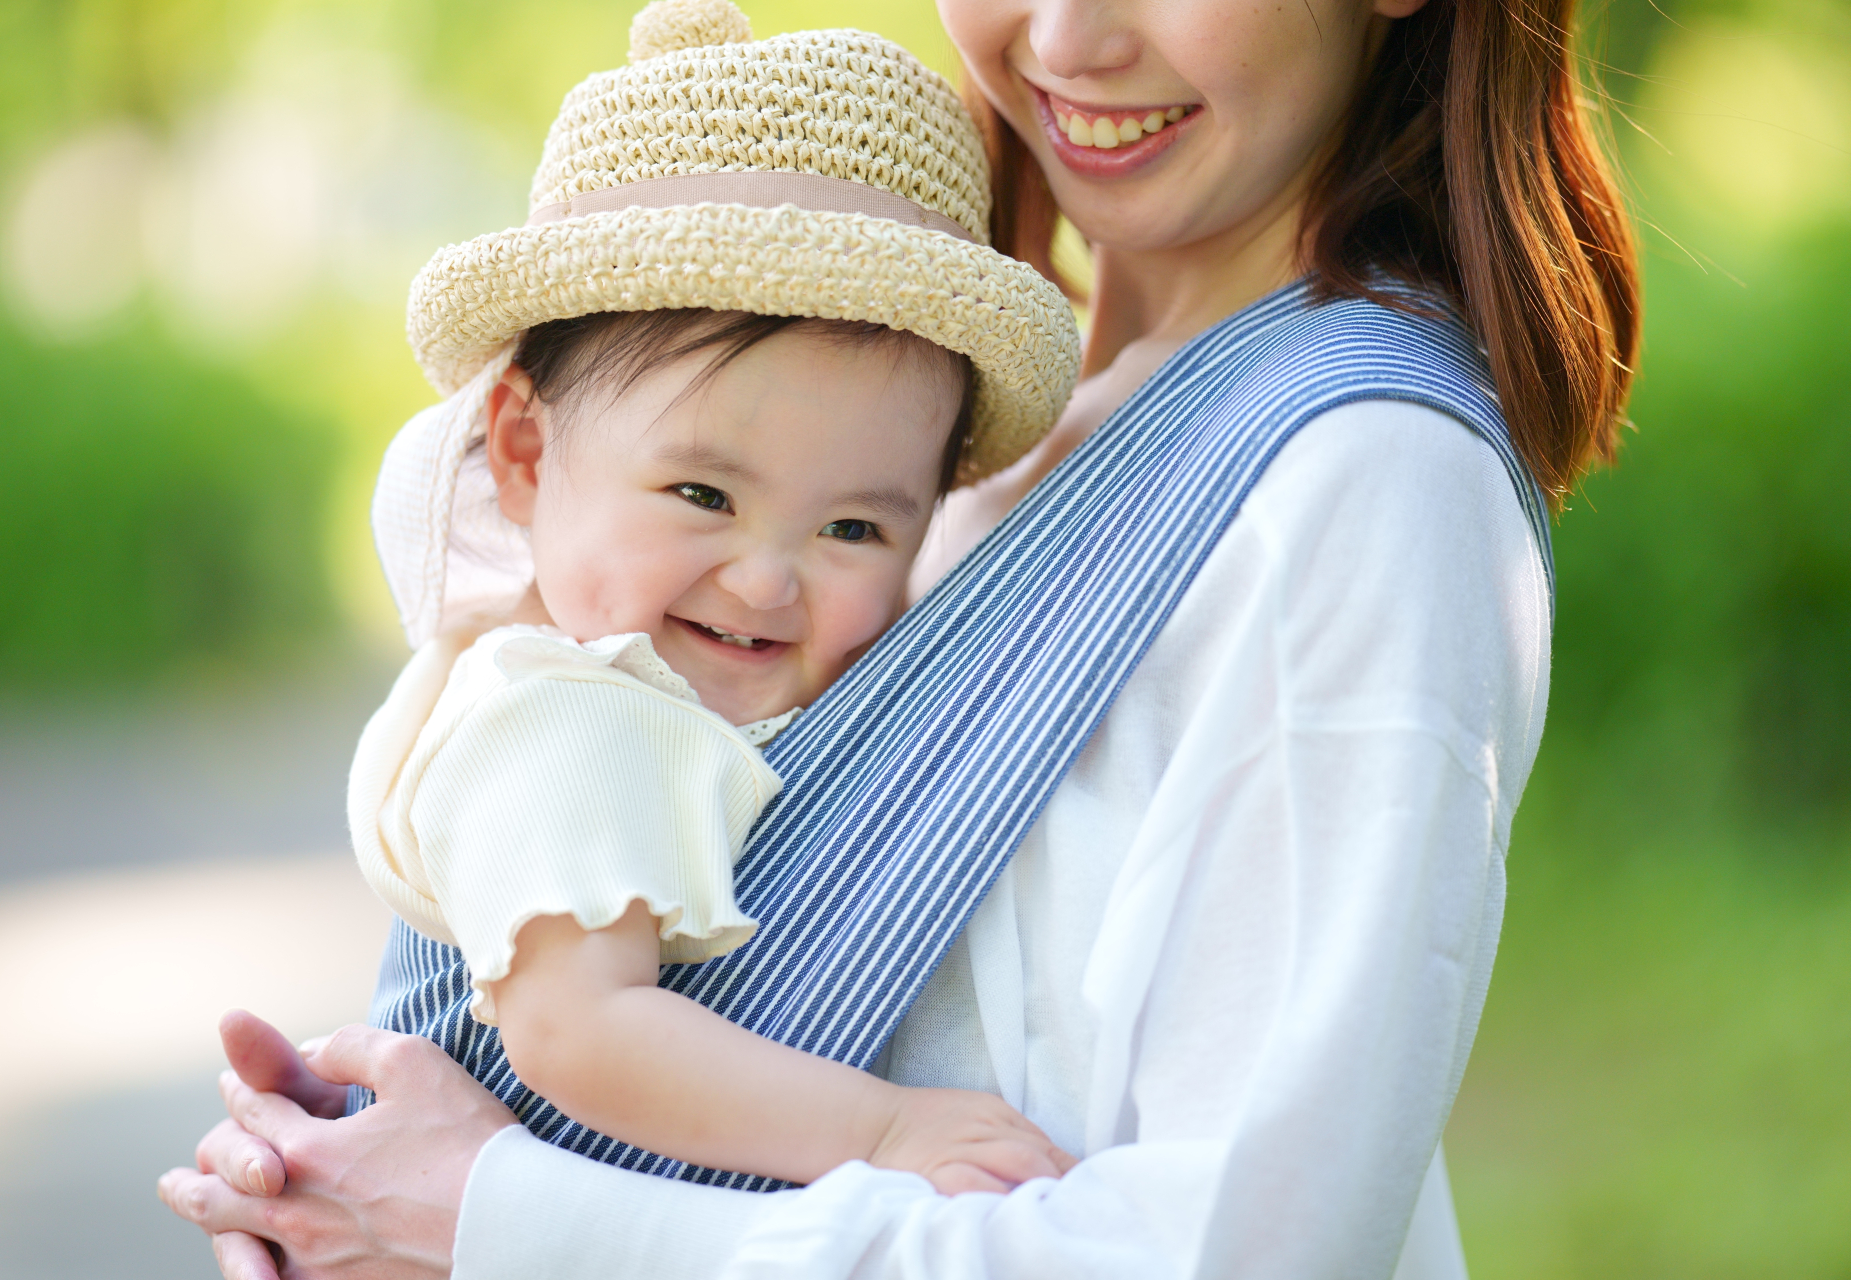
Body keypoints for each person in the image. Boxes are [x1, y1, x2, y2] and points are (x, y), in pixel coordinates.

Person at [159, 0, 1639, 1271]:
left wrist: (493, 1218)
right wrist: (358, 1162)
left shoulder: (1360, 482)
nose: (1065, 39)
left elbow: (1237, 1254)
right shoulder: (927, 444)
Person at [333, 1, 1082, 1198]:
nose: (767, 576)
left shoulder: (649, 695)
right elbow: (581, 1032)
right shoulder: (567, 717)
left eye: (854, 526)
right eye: (701, 492)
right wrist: (883, 1130)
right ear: (524, 451)